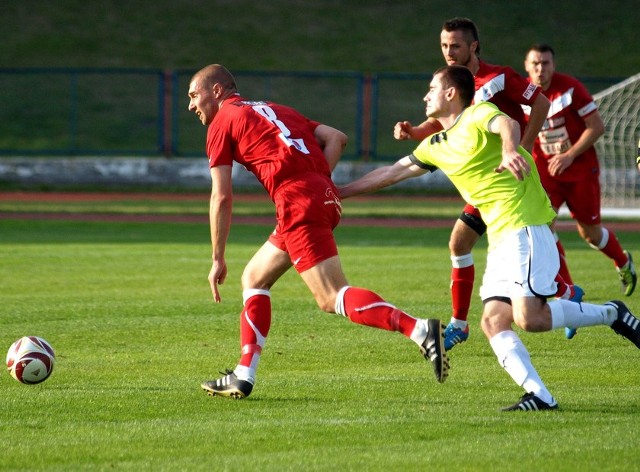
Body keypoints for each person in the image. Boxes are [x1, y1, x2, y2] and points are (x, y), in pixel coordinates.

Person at [339, 65, 640, 411]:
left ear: (451, 93)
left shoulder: (477, 114)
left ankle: (613, 315)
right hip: (499, 237)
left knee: (530, 318)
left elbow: (508, 124)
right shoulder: (435, 144)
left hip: (524, 223)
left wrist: (511, 150)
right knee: (493, 320)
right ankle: (540, 395)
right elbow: (391, 172)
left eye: (432, 88)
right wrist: (339, 191)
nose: (425, 96)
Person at [187, 64, 449, 399]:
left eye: (195, 95)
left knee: (331, 296)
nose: (191, 105)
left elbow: (221, 195)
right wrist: (318, 183)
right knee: (254, 278)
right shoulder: (275, 109)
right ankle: (243, 373)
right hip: (319, 197)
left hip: (297, 202)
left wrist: (217, 258)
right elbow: (336, 138)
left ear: (217, 91)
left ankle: (420, 329)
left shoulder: (222, 122)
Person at [394, 18, 552, 351]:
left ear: (474, 47)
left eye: (455, 46)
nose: (448, 52)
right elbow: (440, 121)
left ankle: (564, 297)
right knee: (462, 244)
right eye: (443, 45)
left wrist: (519, 146)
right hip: (487, 185)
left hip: (509, 181)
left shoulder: (499, 77)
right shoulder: (453, 83)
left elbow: (541, 103)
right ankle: (462, 324)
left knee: (492, 241)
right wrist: (414, 132)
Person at [523, 43, 636, 341]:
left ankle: (623, 262)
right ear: (526, 66)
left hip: (580, 172)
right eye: (535, 63)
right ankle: (569, 297)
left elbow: (596, 126)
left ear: (553, 65)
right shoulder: (522, 95)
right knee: (543, 228)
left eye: (545, 63)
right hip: (547, 175)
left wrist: (570, 155)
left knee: (590, 232)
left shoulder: (570, 89)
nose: (540, 69)